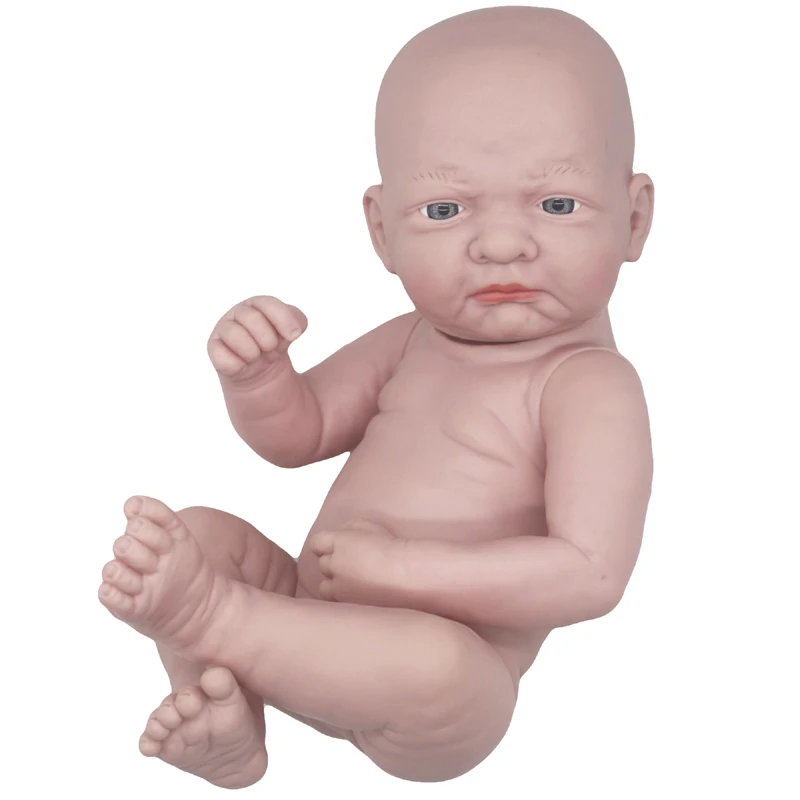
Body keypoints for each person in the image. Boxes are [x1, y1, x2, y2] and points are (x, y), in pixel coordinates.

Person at [98, 5, 655, 787]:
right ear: (382, 232)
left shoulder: (590, 385)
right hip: (306, 616)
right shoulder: (413, 338)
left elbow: (590, 575)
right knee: (200, 535)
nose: (500, 244)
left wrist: (403, 572)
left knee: (438, 665)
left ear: (634, 219)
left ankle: (210, 621)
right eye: (444, 210)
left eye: (557, 204)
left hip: (441, 691)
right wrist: (260, 381)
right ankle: (229, 721)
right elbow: (300, 435)